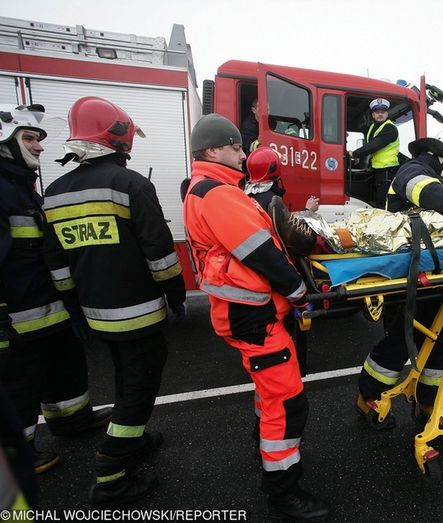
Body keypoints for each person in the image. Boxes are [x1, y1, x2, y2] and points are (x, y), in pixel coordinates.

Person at [182, 114, 330, 522]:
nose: (243, 153)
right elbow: (260, 252)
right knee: (287, 403)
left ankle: (261, 442)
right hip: (253, 315)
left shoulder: (206, 189)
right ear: (213, 151)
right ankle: (284, 493)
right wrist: (300, 293)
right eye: (235, 147)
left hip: (244, 312)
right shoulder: (218, 194)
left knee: (270, 394)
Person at [41, 96, 186, 505]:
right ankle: (112, 474)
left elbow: (57, 265)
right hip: (139, 314)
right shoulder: (132, 185)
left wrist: (75, 310)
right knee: (139, 389)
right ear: (119, 138)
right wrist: (176, 297)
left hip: (95, 315)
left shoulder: (53, 192)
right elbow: (160, 256)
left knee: (126, 378)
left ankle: (133, 444)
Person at [0, 104, 112, 476]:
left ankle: (71, 419)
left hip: (45, 305)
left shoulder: (19, 187)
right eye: (29, 138)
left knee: (63, 364)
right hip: (16, 315)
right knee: (20, 380)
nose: (39, 147)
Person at [356, 133, 443, 429]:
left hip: (432, 278)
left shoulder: (431, 177)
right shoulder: (413, 170)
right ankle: (368, 398)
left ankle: (428, 403)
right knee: (399, 343)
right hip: (408, 280)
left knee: (439, 344)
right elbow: (424, 189)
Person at [348, 98, 400, 208]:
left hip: (387, 170)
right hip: (377, 169)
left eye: (383, 112)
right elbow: (369, 146)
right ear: (373, 115)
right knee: (376, 197)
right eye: (377, 112)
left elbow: (375, 145)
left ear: (387, 114)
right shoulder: (372, 127)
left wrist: (355, 154)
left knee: (384, 200)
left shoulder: (390, 128)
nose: (380, 115)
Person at [245, 147, 319, 213]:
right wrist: (308, 210)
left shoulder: (245, 196)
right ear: (274, 170)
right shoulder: (273, 201)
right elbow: (289, 226)